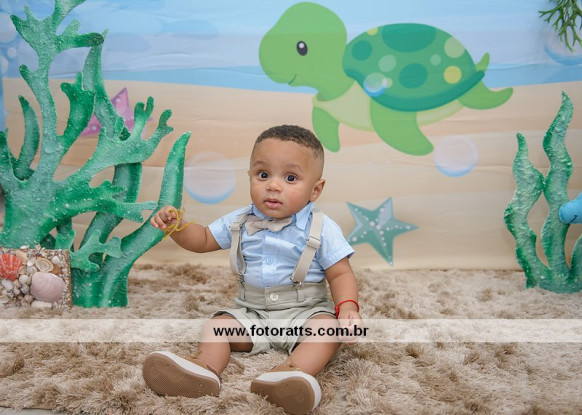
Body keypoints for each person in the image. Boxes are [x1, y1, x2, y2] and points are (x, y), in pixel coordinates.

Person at [142, 125, 362, 415]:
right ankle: (203, 368)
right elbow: (203, 239)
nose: (273, 186)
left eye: (290, 178)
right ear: (249, 176)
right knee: (216, 327)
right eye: (263, 174)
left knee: (327, 331)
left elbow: (340, 273)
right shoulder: (240, 220)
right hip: (253, 314)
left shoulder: (322, 227)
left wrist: (347, 307)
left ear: (315, 190)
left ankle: (290, 373)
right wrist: (177, 227)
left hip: (305, 313)